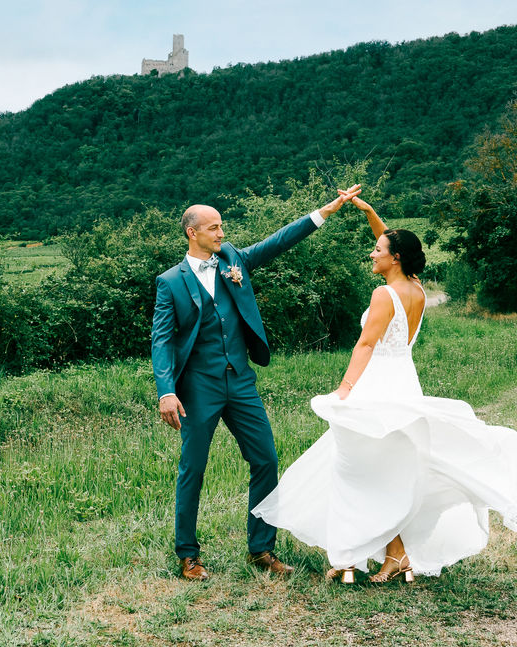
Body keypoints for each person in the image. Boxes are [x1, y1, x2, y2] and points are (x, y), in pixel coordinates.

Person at [252, 193, 517, 584]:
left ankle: (351, 556)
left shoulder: (383, 294)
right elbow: (393, 240)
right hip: (404, 381)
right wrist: (370, 213)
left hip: (376, 385)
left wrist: (344, 389)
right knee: (391, 470)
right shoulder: (417, 289)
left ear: (395, 258)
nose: (372, 254)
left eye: (377, 250)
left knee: (356, 470)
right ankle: (396, 555)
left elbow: (366, 344)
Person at [153, 185, 361, 581]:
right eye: (213, 228)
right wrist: (167, 389)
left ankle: (261, 549)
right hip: (198, 388)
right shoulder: (170, 282)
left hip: (242, 383)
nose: (220, 233)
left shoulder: (233, 260)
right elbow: (161, 339)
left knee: (265, 458)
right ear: (191, 233)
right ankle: (187, 556)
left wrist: (325, 212)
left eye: (221, 227)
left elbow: (277, 242)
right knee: (193, 468)